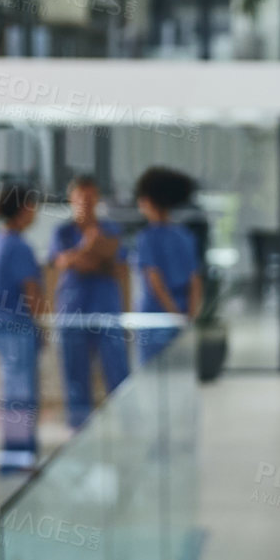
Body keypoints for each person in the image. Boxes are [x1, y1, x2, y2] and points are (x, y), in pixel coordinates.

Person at [48, 174, 130, 429]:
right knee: (75, 377)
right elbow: (64, 262)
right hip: (73, 314)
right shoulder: (62, 232)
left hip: (107, 312)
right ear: (71, 200)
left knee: (118, 373)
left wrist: (84, 257)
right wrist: (90, 247)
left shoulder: (111, 229)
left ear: (97, 199)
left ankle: (127, 428)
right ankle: (79, 432)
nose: (85, 202)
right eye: (80, 197)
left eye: (90, 197)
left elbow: (114, 264)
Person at [0, 184, 43, 472]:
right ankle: (18, 456)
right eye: (32, 205)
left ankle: (18, 453)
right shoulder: (18, 246)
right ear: (22, 208)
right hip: (15, 326)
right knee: (20, 392)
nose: (36, 212)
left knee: (13, 389)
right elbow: (31, 293)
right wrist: (42, 323)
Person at [131, 166, 203, 365]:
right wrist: (188, 317)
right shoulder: (185, 236)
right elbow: (195, 280)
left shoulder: (146, 238)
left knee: (153, 378)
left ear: (148, 201)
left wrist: (173, 316)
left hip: (156, 319)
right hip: (182, 315)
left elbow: (155, 281)